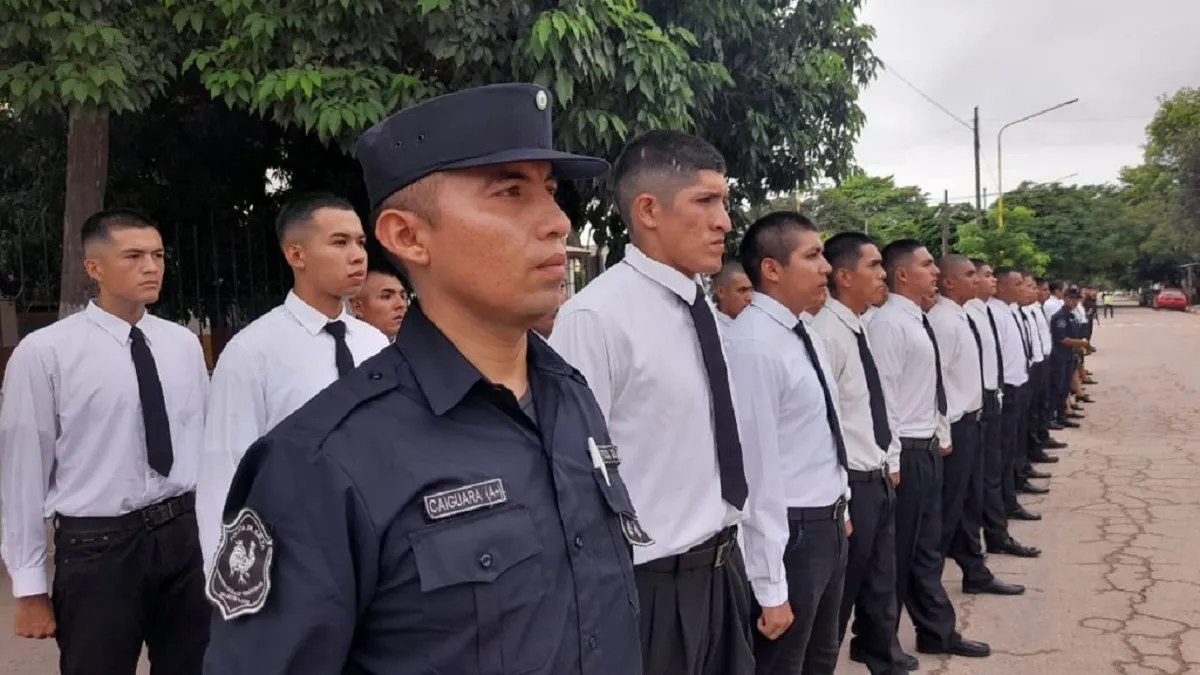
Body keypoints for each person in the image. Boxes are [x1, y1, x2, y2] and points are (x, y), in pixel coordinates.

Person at [202, 83, 643, 673]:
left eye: (551, 191)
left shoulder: (570, 396)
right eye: (511, 191)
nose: (557, 222)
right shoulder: (318, 465)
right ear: (408, 236)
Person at [551, 129, 755, 675]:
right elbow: (571, 476)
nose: (725, 222)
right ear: (648, 210)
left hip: (721, 571)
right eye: (705, 201)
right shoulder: (597, 318)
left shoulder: (699, 305)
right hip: (650, 589)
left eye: (725, 202)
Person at [0, 209, 211, 674]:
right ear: (94, 268)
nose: (151, 266)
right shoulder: (46, 353)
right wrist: (30, 587)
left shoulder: (182, 344)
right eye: (133, 256)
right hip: (100, 548)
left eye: (157, 255)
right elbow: (23, 474)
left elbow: (205, 445)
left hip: (183, 537)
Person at [196, 193, 389, 571]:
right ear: (296, 255)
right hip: (295, 547)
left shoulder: (373, 342)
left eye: (361, 242)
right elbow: (226, 471)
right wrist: (230, 579)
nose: (357, 255)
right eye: (339, 242)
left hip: (378, 535)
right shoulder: (253, 351)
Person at [724, 213, 846, 675]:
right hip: (790, 535)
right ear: (772, 269)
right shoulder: (754, 345)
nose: (826, 268)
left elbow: (816, 435)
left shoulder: (802, 332)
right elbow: (756, 473)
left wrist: (842, 509)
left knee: (820, 657)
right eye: (812, 256)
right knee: (782, 664)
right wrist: (771, 587)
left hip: (825, 524)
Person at [867, 240, 989, 659]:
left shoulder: (916, 319)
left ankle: (935, 629)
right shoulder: (889, 325)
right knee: (897, 556)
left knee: (925, 549)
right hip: (906, 453)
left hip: (927, 447)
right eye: (926, 264)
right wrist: (894, 458)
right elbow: (884, 398)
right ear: (902, 274)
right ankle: (877, 641)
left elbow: (929, 388)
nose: (935, 271)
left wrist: (941, 436)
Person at [811, 232, 913, 675]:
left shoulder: (859, 326)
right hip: (849, 482)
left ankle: (881, 655)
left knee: (879, 582)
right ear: (845, 276)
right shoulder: (825, 334)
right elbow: (821, 426)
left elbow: (877, 401)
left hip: (875, 474)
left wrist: (888, 460)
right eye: (873, 265)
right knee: (840, 599)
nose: (883, 274)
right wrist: (845, 497)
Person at [927, 257, 1027, 598]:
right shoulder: (942, 321)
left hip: (973, 420)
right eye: (970, 274)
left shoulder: (963, 315)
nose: (979, 280)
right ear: (949, 282)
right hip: (953, 428)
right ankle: (925, 588)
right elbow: (934, 382)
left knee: (969, 505)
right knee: (946, 513)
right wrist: (943, 433)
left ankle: (974, 570)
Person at [967, 261, 1041, 557]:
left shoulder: (994, 311)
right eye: (980, 275)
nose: (989, 282)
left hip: (1004, 388)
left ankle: (1005, 510)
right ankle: (994, 532)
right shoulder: (973, 313)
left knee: (1003, 458)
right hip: (990, 396)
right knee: (990, 472)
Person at [988, 269, 1042, 529]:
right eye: (1018, 284)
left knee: (1011, 449)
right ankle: (1004, 504)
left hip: (1018, 383)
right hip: (1006, 389)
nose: (1023, 289)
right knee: (1002, 455)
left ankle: (1011, 496)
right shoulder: (993, 313)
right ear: (1000, 288)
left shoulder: (1009, 311)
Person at [1050, 289, 1090, 426]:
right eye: (1072, 298)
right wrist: (1081, 343)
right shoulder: (1060, 317)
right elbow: (1063, 340)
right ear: (1065, 298)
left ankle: (1063, 415)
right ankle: (1057, 416)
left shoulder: (1071, 315)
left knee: (1066, 387)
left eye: (1077, 299)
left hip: (1069, 355)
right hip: (1059, 356)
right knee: (1059, 388)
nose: (1074, 301)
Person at [349, 255, 409, 341]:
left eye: (403, 296)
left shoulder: (419, 347)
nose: (401, 304)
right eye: (387, 296)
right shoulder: (344, 350)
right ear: (358, 308)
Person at [714, 260, 754, 326]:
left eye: (751, 290)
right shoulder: (710, 327)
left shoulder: (757, 322)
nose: (749, 298)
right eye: (742, 290)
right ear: (720, 292)